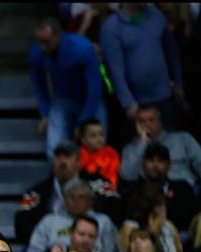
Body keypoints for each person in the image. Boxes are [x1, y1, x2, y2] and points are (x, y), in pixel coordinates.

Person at [29, 18, 105, 160]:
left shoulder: (82, 48)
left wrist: (84, 121)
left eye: (46, 42)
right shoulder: (36, 53)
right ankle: (59, 179)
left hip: (89, 99)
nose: (43, 47)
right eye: (39, 41)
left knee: (96, 144)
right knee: (54, 147)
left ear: (58, 36)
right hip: (63, 99)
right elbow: (40, 86)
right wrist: (45, 113)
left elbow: (94, 88)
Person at [100, 4, 183, 130]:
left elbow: (172, 52)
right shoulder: (112, 28)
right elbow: (114, 70)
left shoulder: (157, 16)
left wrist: (178, 83)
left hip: (165, 97)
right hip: (137, 103)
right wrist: (127, 102)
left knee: (171, 142)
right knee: (141, 147)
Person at [120, 142, 197, 234]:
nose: (155, 165)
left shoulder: (183, 188)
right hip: (141, 237)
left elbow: (189, 217)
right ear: (143, 165)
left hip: (177, 236)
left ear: (168, 166)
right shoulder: (132, 190)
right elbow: (129, 217)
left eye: (160, 161)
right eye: (151, 160)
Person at [117, 105, 201, 185]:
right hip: (150, 195)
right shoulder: (131, 147)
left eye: (151, 120)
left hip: (185, 190)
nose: (147, 124)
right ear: (136, 125)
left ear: (160, 121)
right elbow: (127, 176)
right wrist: (142, 143)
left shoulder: (182, 138)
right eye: (142, 121)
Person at [79, 118, 119, 187]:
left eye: (101, 134)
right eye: (93, 135)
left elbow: (110, 184)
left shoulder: (111, 154)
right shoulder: (76, 155)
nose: (99, 139)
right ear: (83, 139)